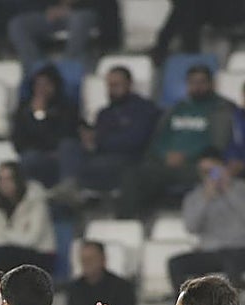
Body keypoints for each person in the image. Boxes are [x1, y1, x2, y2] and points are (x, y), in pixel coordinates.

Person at [116, 65, 234, 219]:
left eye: (202, 82)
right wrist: (164, 155)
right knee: (132, 174)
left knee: (215, 176)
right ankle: (130, 225)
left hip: (199, 167)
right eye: (192, 82)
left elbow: (219, 143)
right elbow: (158, 139)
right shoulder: (176, 109)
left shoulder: (223, 109)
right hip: (165, 164)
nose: (197, 86)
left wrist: (187, 157)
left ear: (212, 83)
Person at [168, 149, 245, 291]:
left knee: (230, 260)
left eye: (212, 171)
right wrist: (206, 198)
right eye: (204, 172)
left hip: (239, 249)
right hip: (211, 252)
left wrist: (228, 190)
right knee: (175, 263)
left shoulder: (240, 189)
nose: (209, 176)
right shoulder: (195, 196)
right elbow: (191, 227)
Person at [77, 66, 160, 192]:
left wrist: (99, 141)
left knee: (87, 167)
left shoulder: (143, 109)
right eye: (109, 85)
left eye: (116, 85)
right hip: (101, 155)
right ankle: (70, 186)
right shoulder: (104, 113)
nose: (112, 90)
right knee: (69, 148)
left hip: (130, 159)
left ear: (129, 84)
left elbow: (135, 141)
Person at [12, 64, 82, 190]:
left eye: (46, 84)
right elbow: (20, 141)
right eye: (38, 85)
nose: (42, 89)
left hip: (62, 157)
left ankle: (68, 189)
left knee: (68, 147)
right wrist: (39, 115)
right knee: (28, 159)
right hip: (37, 156)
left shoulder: (67, 108)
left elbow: (66, 134)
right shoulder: (24, 110)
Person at [0, 161, 55, 273]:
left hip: (40, 254)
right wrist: (17, 236)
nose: (4, 184)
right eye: (1, 179)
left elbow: (32, 239)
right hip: (8, 254)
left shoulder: (36, 201)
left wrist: (6, 234)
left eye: (8, 179)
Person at [7, 1, 98, 69]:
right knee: (17, 24)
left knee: (78, 20)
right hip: (49, 13)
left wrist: (70, 8)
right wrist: (48, 9)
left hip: (81, 10)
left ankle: (69, 66)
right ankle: (37, 70)